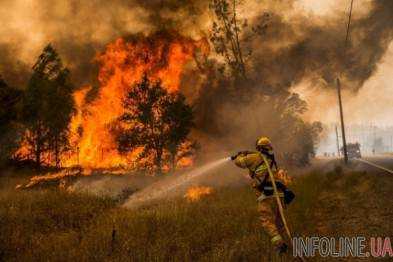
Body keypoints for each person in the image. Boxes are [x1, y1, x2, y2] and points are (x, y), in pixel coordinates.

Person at [231, 136, 295, 254]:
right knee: (280, 223)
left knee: (266, 220)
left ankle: (280, 246)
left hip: (267, 195)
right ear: (268, 148)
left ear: (259, 148)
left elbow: (239, 163)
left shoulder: (255, 157)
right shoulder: (271, 160)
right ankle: (290, 245)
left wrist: (239, 156)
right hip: (278, 195)